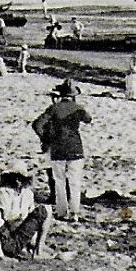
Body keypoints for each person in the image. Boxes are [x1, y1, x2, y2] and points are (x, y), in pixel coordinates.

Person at [32, 79, 92, 220]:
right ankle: (74, 212)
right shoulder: (78, 108)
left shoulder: (54, 108)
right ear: (73, 94)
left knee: (59, 181)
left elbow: (37, 124)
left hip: (58, 148)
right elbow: (88, 119)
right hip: (75, 147)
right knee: (75, 181)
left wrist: (46, 139)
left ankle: (61, 211)